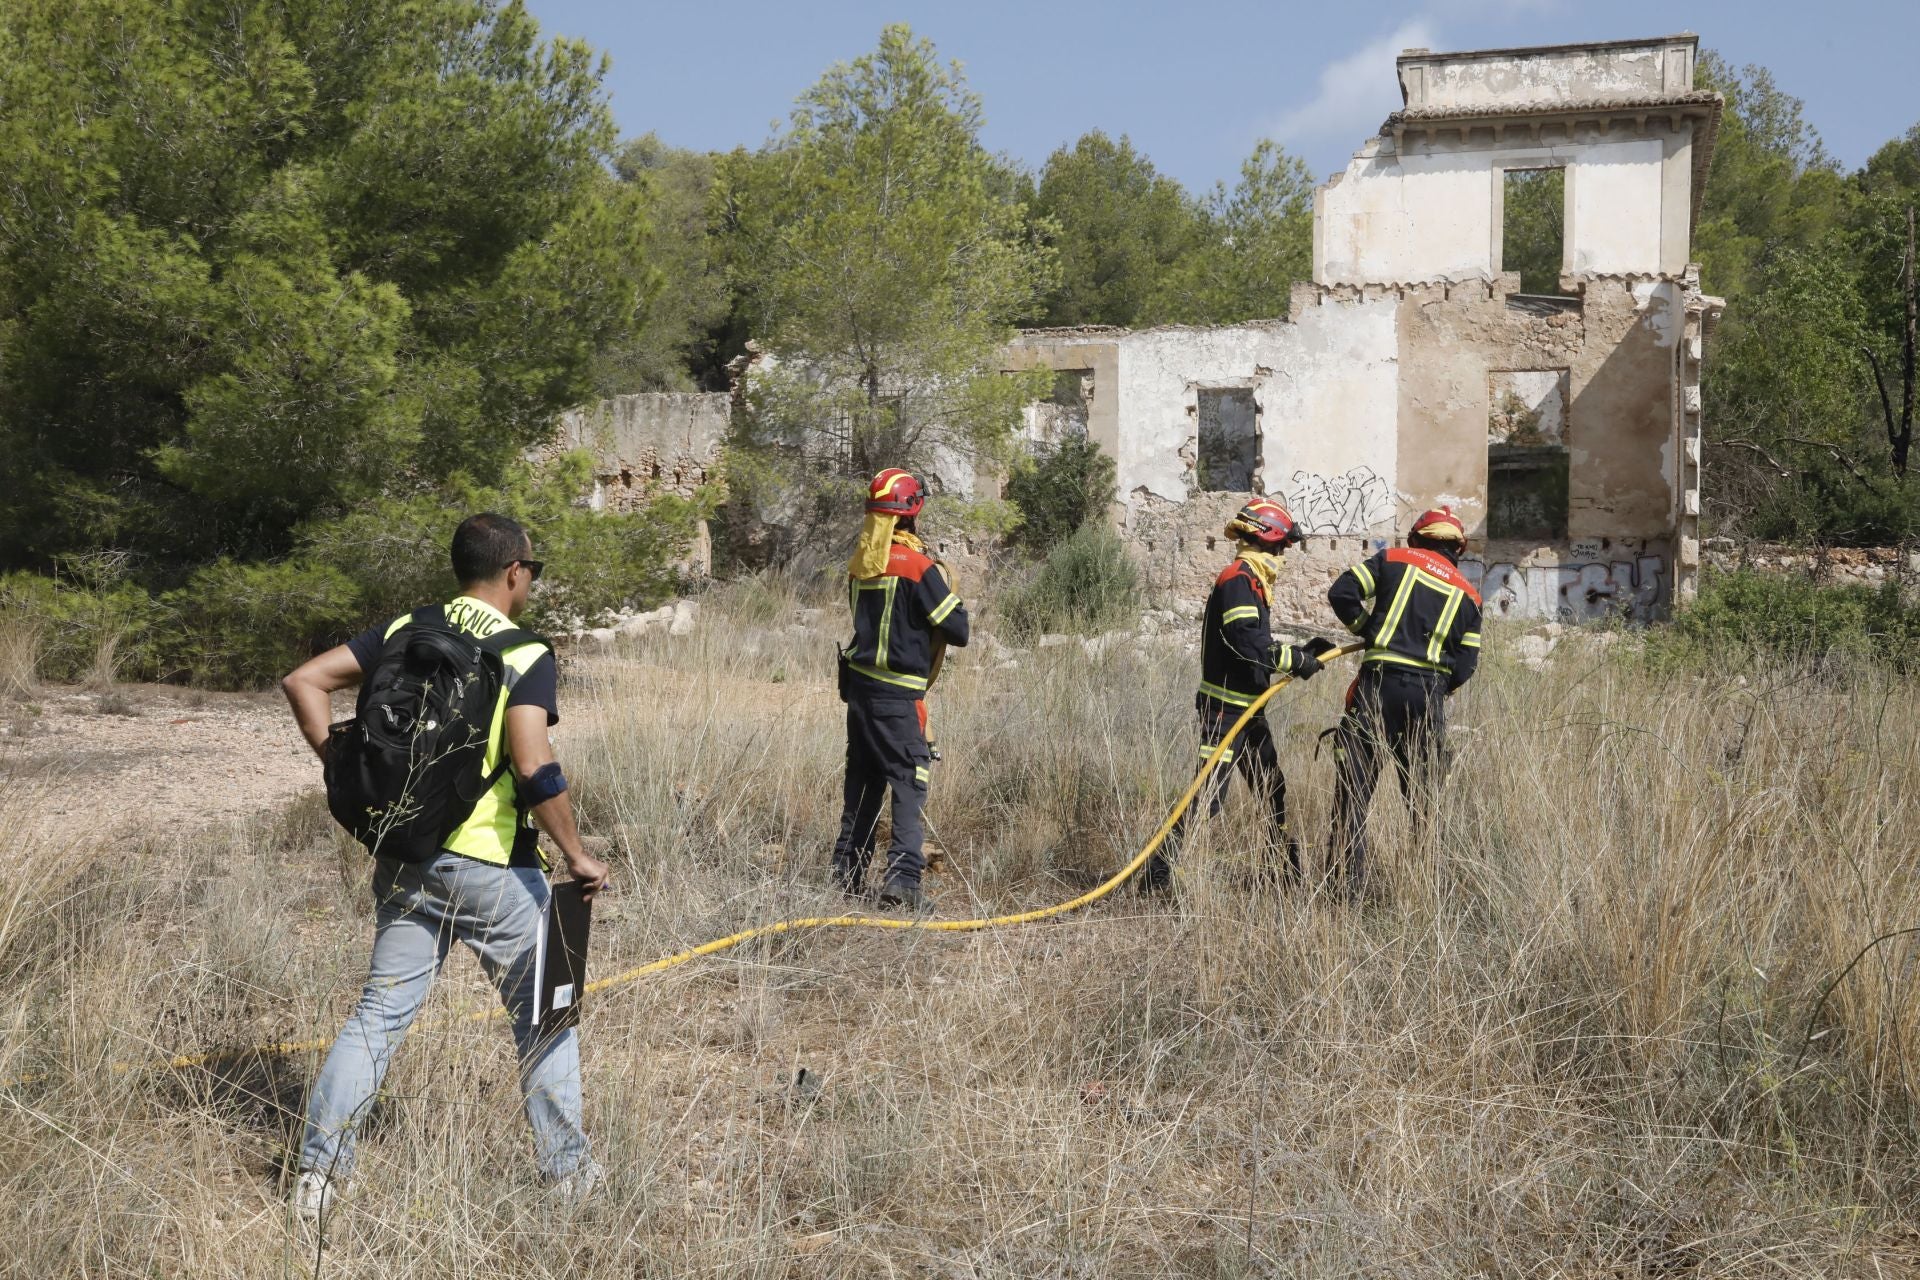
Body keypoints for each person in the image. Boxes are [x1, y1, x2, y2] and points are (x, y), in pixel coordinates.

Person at [279, 513, 611, 1222]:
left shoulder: (405, 630)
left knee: (377, 1018)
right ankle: (569, 1177)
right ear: (516, 570)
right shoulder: (524, 652)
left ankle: (318, 1177)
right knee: (547, 1017)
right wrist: (577, 856)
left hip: (405, 855)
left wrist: (341, 767)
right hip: (493, 870)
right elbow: (534, 765)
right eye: (533, 571)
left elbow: (304, 680)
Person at [1140, 499, 1330, 894]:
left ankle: (1284, 869)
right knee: (1208, 796)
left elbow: (1254, 644)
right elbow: (1249, 645)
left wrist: (1303, 653)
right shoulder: (1239, 581)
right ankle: (1157, 873)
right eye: (1282, 548)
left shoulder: (1251, 581)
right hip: (1225, 711)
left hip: (1248, 708)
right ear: (1269, 540)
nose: (1283, 556)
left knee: (1270, 787)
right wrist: (1297, 662)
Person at [1325, 505, 1483, 898]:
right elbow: (1465, 667)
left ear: (1416, 538)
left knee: (1354, 792)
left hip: (1377, 690)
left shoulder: (1393, 559)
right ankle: (1427, 892)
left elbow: (1342, 592)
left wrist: (1371, 631)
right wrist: (1435, 688)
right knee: (1424, 799)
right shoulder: (1471, 596)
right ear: (1458, 550)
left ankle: (1345, 892)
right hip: (1427, 699)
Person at [831, 468, 969, 910]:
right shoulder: (918, 567)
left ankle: (845, 875)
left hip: (860, 696)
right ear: (912, 514)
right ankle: (903, 883)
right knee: (909, 783)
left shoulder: (861, 566)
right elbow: (958, 629)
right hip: (898, 701)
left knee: (864, 783)